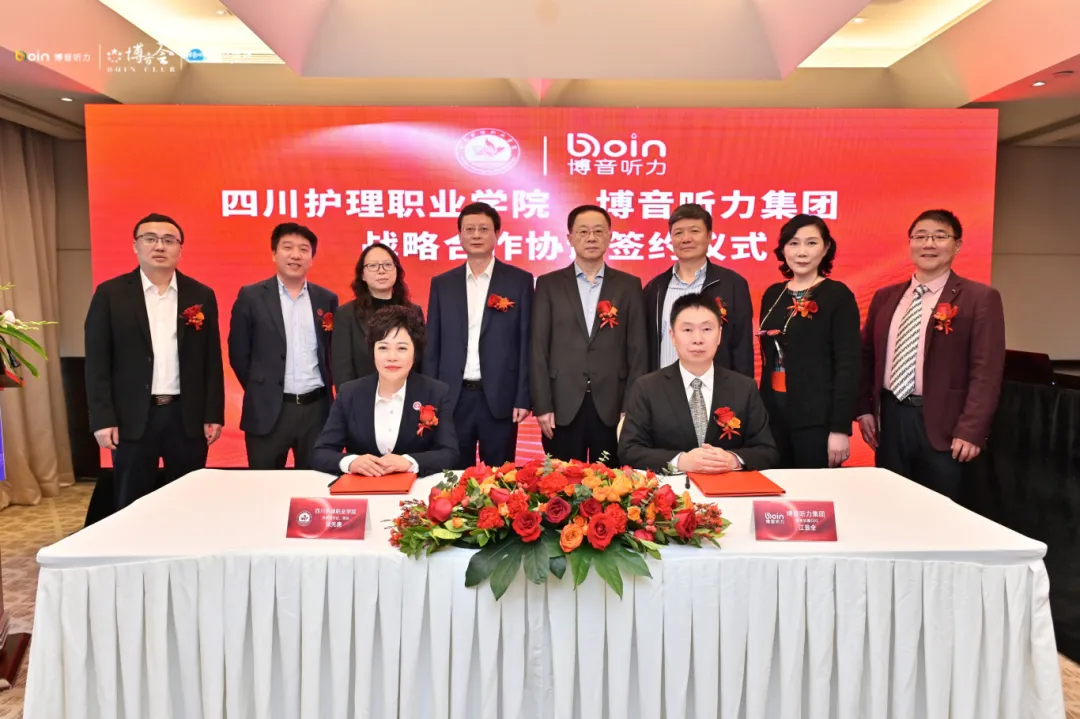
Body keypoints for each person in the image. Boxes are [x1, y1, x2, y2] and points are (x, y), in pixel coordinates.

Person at [857, 209, 1006, 499]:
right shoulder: (885, 297)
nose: (929, 244)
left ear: (957, 245)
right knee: (890, 502)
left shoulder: (979, 298)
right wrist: (864, 409)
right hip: (891, 419)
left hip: (945, 427)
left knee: (941, 509)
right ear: (910, 243)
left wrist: (971, 430)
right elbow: (866, 356)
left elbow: (986, 372)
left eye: (940, 236)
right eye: (921, 236)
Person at [85, 213, 225, 510]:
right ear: (136, 246)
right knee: (131, 503)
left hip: (185, 417)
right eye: (150, 239)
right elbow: (97, 362)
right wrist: (102, 419)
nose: (159, 246)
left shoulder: (200, 294)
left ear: (180, 248)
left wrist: (213, 413)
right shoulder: (111, 294)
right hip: (132, 418)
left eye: (168, 240)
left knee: (189, 502)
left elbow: (211, 361)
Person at [531, 205, 647, 464]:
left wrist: (631, 407)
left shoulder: (629, 286)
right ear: (570, 238)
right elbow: (538, 348)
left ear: (610, 236)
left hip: (613, 407)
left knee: (613, 483)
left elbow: (638, 351)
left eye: (598, 231)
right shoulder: (549, 284)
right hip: (561, 405)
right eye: (583, 232)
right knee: (560, 482)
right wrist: (542, 405)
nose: (591, 237)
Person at [423, 202, 533, 467]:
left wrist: (523, 397)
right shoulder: (442, 284)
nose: (476, 235)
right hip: (452, 397)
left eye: (483, 229)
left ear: (497, 234)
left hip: (500, 397)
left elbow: (526, 343)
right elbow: (432, 345)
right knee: (451, 475)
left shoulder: (519, 281)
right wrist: (430, 399)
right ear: (459, 235)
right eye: (469, 229)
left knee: (498, 476)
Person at [619, 293, 779, 472]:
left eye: (707, 329)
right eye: (687, 330)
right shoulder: (647, 388)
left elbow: (767, 451)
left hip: (728, 485)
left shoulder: (744, 388)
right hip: (671, 486)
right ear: (672, 336)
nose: (697, 339)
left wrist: (733, 459)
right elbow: (629, 450)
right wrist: (680, 461)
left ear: (719, 335)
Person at [227, 223, 338, 470]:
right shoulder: (251, 296)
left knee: (314, 483)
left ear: (312, 258)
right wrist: (262, 387)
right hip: (267, 410)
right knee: (264, 484)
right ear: (274, 254)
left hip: (317, 411)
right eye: (288, 247)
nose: (295, 255)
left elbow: (331, 352)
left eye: (303, 249)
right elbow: (238, 353)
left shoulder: (326, 299)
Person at [758, 215, 861, 468]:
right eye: (793, 243)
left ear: (825, 249)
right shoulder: (773, 294)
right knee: (774, 487)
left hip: (817, 420)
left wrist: (839, 428)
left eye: (811, 243)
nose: (801, 252)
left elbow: (848, 365)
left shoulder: (838, 295)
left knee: (814, 489)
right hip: (773, 416)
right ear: (783, 249)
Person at [312, 306, 458, 477]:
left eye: (402, 348)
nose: (392, 357)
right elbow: (320, 453)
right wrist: (351, 462)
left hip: (415, 488)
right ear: (372, 351)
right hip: (363, 487)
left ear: (415, 353)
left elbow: (449, 453)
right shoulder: (349, 393)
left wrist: (410, 462)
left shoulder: (436, 393)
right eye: (383, 348)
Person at [643, 203, 754, 377]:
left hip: (716, 388)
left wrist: (741, 391)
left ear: (709, 236)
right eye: (678, 233)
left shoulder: (733, 284)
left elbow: (742, 348)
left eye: (694, 231)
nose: (686, 239)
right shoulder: (654, 288)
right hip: (663, 388)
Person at [331, 242, 424, 389]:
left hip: (408, 396)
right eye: (373, 266)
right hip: (362, 397)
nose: (381, 271)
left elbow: (420, 363)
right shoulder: (346, 315)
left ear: (397, 271)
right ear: (362, 274)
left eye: (387, 265)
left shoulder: (414, 311)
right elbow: (342, 371)